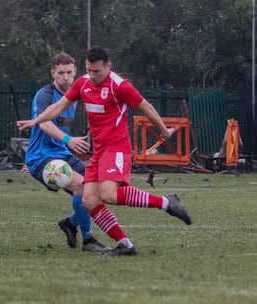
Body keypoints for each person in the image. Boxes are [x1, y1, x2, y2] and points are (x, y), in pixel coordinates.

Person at [18, 46, 192, 256]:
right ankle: (125, 244)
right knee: (89, 200)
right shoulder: (82, 84)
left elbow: (146, 106)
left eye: (97, 71)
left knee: (108, 194)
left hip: (116, 148)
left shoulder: (120, 86)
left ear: (108, 67)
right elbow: (59, 107)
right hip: (98, 153)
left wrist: (163, 130)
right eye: (88, 70)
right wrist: (36, 121)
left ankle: (165, 202)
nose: (92, 75)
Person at [24, 52, 109, 253]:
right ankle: (89, 241)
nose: (65, 77)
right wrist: (69, 140)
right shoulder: (45, 95)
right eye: (60, 72)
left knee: (98, 191)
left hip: (63, 155)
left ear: (75, 72)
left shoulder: (76, 94)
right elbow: (44, 123)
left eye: (69, 72)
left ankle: (70, 224)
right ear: (52, 73)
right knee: (81, 186)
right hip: (41, 157)